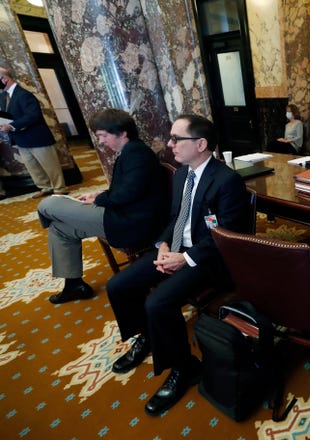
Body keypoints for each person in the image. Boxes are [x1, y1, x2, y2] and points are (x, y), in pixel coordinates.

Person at [106, 114, 247, 417]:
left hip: (208, 260)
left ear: (201, 144)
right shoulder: (182, 174)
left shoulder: (227, 181)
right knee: (118, 285)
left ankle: (184, 368)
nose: (168, 145)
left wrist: (186, 258)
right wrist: (164, 246)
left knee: (157, 303)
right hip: (177, 250)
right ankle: (146, 336)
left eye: (175, 139)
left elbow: (226, 236)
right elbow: (175, 219)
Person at [37, 109, 169, 304]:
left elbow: (128, 193)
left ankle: (48, 220)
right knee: (59, 229)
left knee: (47, 204)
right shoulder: (132, 150)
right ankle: (74, 285)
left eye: (103, 135)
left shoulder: (136, 152)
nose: (101, 142)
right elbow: (128, 189)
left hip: (131, 222)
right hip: (124, 213)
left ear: (122, 132)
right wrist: (99, 195)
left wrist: (98, 200)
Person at [0, 66, 67, 198]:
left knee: (49, 164)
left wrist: (11, 126)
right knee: (33, 167)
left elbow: (33, 116)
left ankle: (60, 188)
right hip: (20, 138)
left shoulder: (24, 94)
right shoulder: (4, 96)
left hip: (37, 137)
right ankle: (45, 187)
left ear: (5, 79)